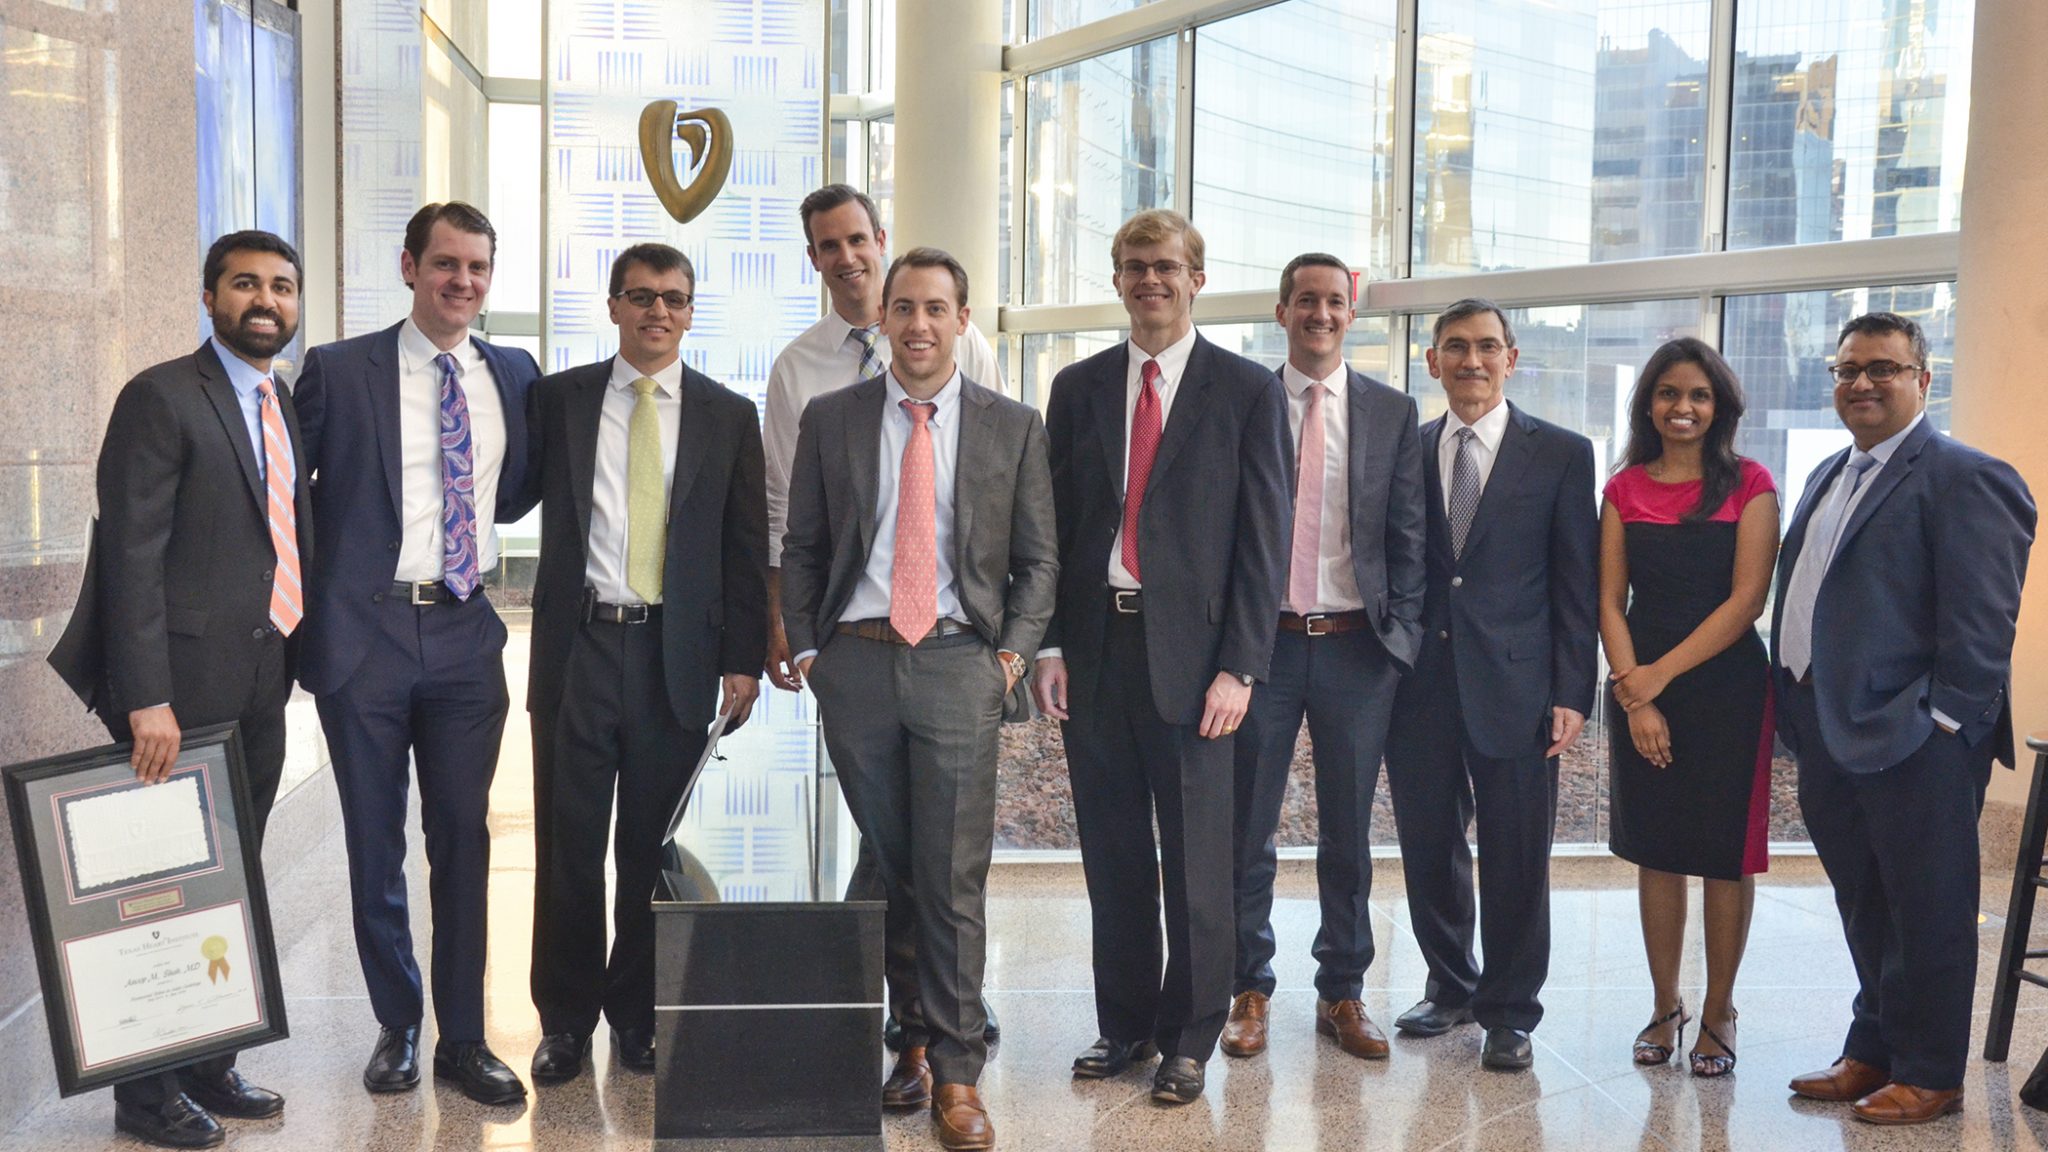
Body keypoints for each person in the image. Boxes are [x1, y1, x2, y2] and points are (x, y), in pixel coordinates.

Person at [782, 247, 1057, 1151]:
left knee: (950, 875)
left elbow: (1039, 560)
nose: (919, 324)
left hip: (957, 663)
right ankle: (914, 1042)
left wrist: (1009, 659)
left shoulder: (1012, 426)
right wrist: (813, 651)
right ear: (884, 319)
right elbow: (804, 545)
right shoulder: (832, 417)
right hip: (856, 667)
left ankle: (958, 1071)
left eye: (937, 308)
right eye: (903, 307)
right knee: (895, 864)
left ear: (962, 320)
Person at [49, 230, 312, 1149]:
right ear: (210, 297)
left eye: (281, 286)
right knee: (161, 894)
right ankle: (145, 1095)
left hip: (260, 686)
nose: (265, 301)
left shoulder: (278, 398)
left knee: (230, 882)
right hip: (178, 698)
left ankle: (207, 1062)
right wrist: (145, 697)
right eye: (245, 284)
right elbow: (130, 555)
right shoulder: (161, 397)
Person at [1032, 209, 1292, 1106]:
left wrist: (1241, 666)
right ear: (1117, 279)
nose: (1151, 279)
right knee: (1111, 855)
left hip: (1198, 661)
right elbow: (1056, 528)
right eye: (1135, 265)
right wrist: (1052, 642)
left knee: (1196, 863)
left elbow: (1265, 541)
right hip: (1096, 648)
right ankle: (1127, 1025)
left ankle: (1188, 1038)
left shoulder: (1246, 390)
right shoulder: (1077, 388)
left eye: (1167, 266)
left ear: (1196, 279)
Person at [293, 202, 539, 1106]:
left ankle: (463, 1038)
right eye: (445, 263)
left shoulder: (514, 373)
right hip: (368, 636)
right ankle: (397, 1022)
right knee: (374, 838)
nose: (461, 281)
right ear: (409, 267)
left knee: (463, 838)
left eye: (477, 266)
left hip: (467, 631)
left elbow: (519, 488)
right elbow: (287, 499)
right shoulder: (338, 369)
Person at [761, 183, 1003, 1049]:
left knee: (945, 853)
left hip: (952, 649)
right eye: (829, 246)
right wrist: (800, 638)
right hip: (856, 648)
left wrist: (1007, 654)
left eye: (857, 239)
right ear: (815, 258)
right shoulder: (801, 372)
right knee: (889, 839)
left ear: (880, 238)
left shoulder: (970, 350)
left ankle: (941, 1011)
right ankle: (920, 1009)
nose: (846, 257)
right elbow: (788, 516)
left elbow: (993, 487)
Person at [1778, 312, 2034, 1125]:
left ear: (1923, 380)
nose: (1861, 382)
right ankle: (1876, 1048)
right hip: (1828, 728)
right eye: (1847, 369)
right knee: (1865, 901)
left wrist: (1943, 724)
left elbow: (1984, 625)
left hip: (1917, 739)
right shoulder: (1830, 472)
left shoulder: (1966, 475)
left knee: (1928, 910)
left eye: (1882, 368)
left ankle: (1930, 1071)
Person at [523, 243, 767, 1083]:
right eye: (640, 296)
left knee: (646, 847)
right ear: (614, 307)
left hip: (678, 655)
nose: (657, 311)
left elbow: (743, 547)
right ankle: (563, 1022)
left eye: (673, 298)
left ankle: (636, 1017)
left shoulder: (728, 415)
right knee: (567, 846)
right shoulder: (560, 400)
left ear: (691, 313)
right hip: (579, 648)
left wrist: (742, 661)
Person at [1382, 297, 1598, 1071]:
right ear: (1432, 361)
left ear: (1511, 358)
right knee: (1428, 845)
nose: (1470, 360)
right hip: (1418, 687)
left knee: (1517, 853)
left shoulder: (1563, 454)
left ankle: (1510, 1010)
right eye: (1454, 347)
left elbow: (1577, 582)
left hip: (1520, 687)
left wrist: (1574, 690)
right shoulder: (1406, 448)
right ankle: (1451, 985)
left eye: (1485, 346)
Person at [1220, 254, 1426, 1064]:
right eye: (1306, 300)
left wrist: (1399, 641)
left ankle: (1343, 989)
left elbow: (1407, 534)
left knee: (1348, 833)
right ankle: (1249, 988)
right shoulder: (1246, 401)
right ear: (1282, 312)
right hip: (1263, 645)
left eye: (1334, 301)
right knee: (1248, 828)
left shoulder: (1391, 411)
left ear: (1351, 314)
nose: (1320, 313)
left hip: (1355, 649)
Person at [1597, 338, 1779, 1078]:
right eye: (1669, 393)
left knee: (1724, 858)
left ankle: (1719, 1009)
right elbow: (1608, 600)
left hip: (1727, 690)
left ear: (1719, 406)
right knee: (1658, 851)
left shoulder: (1752, 483)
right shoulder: (1622, 489)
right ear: (1648, 405)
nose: (1683, 407)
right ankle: (1664, 1004)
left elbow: (1748, 601)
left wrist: (1655, 678)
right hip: (1640, 686)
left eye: (1699, 395)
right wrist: (1633, 692)